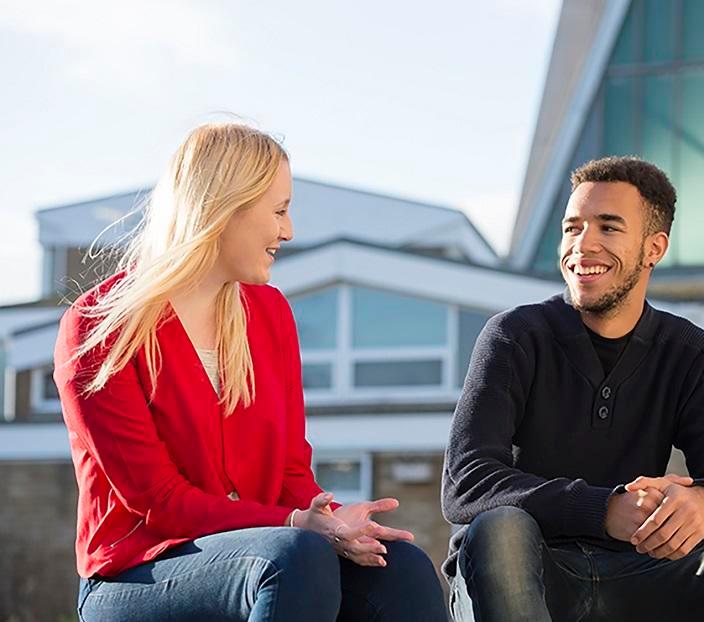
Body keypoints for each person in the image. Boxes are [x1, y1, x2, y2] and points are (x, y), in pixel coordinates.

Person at [55, 122, 449, 621]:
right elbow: (159, 501)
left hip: (267, 554)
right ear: (225, 208)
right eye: (279, 211)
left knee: (401, 566)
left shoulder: (269, 313)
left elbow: (290, 474)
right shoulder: (99, 325)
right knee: (292, 556)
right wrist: (295, 524)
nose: (289, 231)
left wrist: (332, 522)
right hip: (136, 575)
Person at [441, 156, 704, 622]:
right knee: (502, 529)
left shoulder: (690, 351)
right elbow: (466, 482)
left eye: (608, 228)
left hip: (639, 574)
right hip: (528, 573)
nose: (583, 245)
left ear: (654, 248)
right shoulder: (514, 336)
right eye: (572, 228)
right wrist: (603, 509)